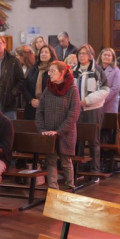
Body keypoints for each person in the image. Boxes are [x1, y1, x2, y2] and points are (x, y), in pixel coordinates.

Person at [36, 61, 81, 190]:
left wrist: (59, 131)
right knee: (50, 160)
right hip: (49, 132)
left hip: (66, 132)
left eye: (53, 71)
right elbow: (40, 111)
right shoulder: (48, 88)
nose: (49, 74)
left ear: (62, 73)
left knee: (66, 161)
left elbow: (74, 114)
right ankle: (53, 189)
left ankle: (70, 187)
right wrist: (42, 130)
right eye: (49, 71)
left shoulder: (72, 89)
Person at [73, 44, 109, 171]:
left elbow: (104, 90)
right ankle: (77, 170)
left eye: (84, 53)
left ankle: (95, 170)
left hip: (93, 109)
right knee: (78, 140)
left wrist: (87, 101)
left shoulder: (97, 70)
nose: (82, 56)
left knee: (94, 141)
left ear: (90, 55)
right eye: (80, 53)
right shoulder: (73, 70)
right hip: (77, 110)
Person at [23, 44, 58, 121]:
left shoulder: (55, 70)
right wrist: (31, 100)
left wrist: (42, 102)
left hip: (49, 108)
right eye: (42, 52)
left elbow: (57, 89)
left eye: (46, 52)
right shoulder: (33, 69)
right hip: (32, 107)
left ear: (51, 55)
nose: (43, 54)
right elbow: (25, 87)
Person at [99, 47, 120, 114]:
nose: (106, 57)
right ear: (101, 56)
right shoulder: (96, 69)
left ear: (113, 58)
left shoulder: (116, 71)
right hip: (96, 103)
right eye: (105, 55)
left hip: (110, 103)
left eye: (109, 55)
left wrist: (103, 100)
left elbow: (115, 88)